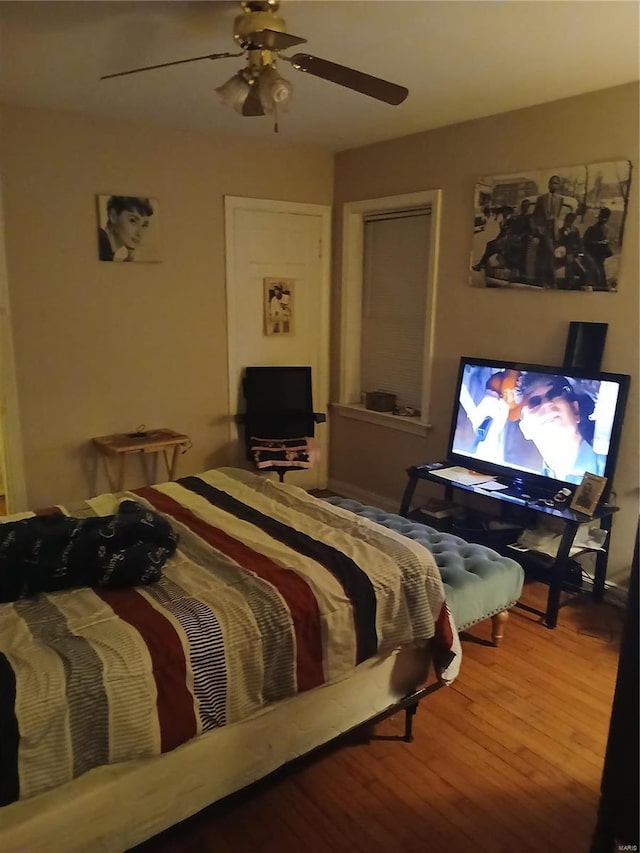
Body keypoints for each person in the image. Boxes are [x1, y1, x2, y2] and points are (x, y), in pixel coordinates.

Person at [516, 372, 603, 484]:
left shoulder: (610, 470)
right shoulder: (534, 486)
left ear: (575, 410)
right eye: (534, 402)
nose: (546, 404)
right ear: (525, 429)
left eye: (554, 394)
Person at [529, 176, 573, 288]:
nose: (554, 185)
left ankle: (545, 280)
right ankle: (553, 281)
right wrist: (537, 228)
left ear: (558, 186)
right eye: (552, 183)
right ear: (548, 185)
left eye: (556, 183)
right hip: (543, 231)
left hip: (554, 231)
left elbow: (560, 216)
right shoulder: (542, 198)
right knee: (550, 251)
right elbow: (534, 216)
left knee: (548, 255)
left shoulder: (560, 200)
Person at [98, 196, 154, 262]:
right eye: (133, 221)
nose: (139, 233)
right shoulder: (100, 243)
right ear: (113, 216)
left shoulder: (107, 250)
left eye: (144, 225)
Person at [583, 207, 613, 290]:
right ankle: (590, 283)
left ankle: (601, 285)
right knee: (595, 271)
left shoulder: (607, 229)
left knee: (602, 275)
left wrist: (606, 245)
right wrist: (598, 243)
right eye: (602, 217)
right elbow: (585, 243)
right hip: (591, 253)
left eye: (606, 218)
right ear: (599, 217)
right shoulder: (592, 228)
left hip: (601, 255)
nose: (604, 220)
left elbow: (607, 241)